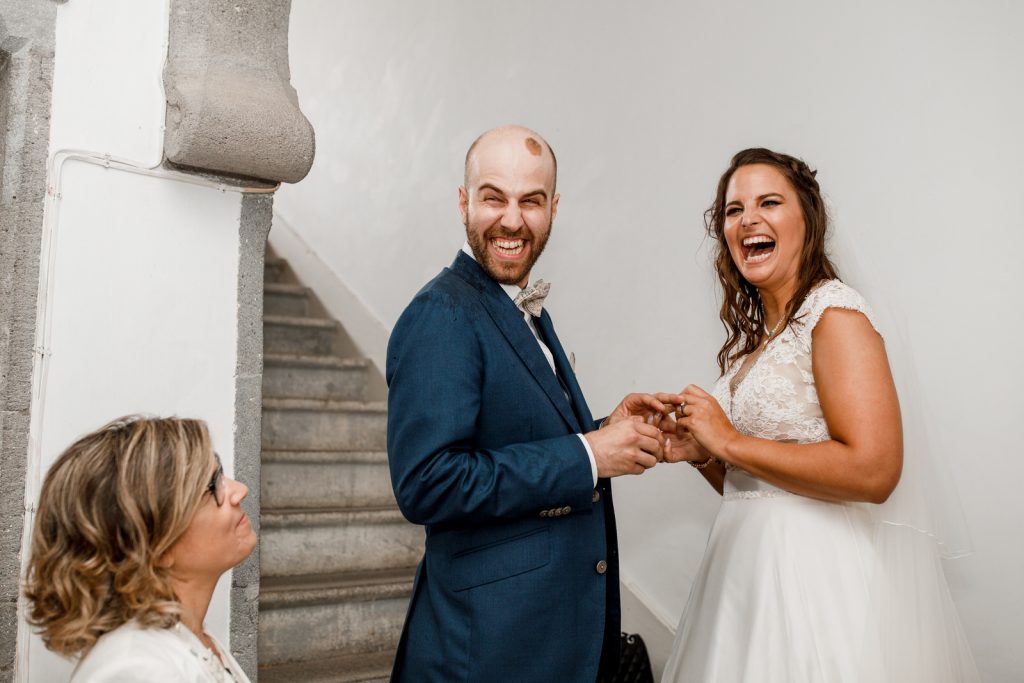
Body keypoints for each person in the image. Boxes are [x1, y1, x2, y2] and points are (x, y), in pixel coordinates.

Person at [658, 148, 979, 681]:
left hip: (815, 585)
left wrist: (730, 442)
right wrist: (703, 453)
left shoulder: (835, 317)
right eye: (733, 210)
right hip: (740, 583)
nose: (748, 220)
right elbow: (762, 489)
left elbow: (875, 472)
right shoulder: (756, 343)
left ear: (807, 219)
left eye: (768, 202)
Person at [386, 125, 671, 682]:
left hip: (538, 639)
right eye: (494, 197)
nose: (512, 220)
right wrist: (589, 454)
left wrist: (605, 428)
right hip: (486, 650)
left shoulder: (517, 307)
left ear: (554, 209)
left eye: (531, 201)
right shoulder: (442, 313)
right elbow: (429, 481)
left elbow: (511, 437)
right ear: (464, 202)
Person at [24, 416, 257, 683]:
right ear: (153, 544)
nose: (240, 491)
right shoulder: (139, 669)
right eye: (212, 486)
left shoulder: (189, 638)